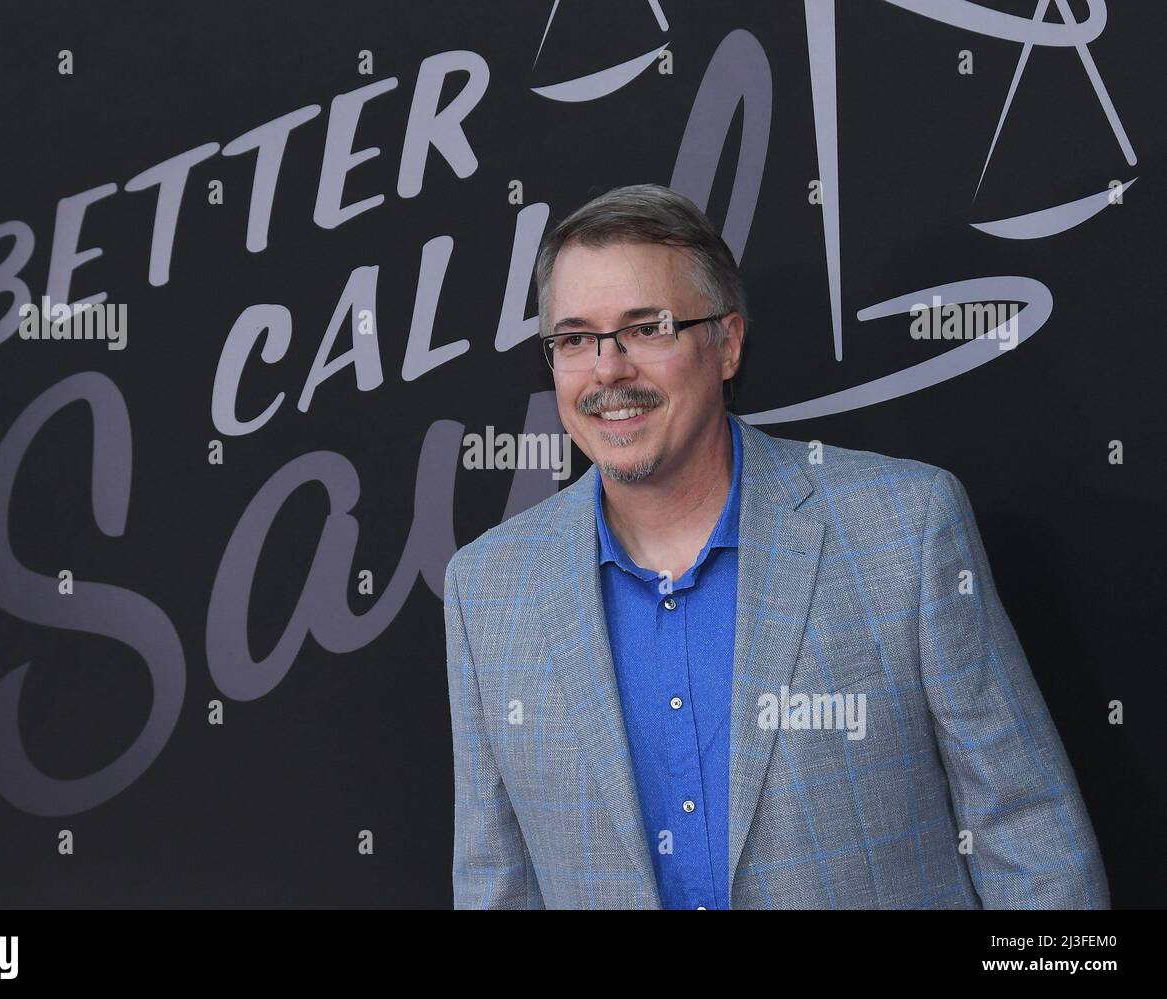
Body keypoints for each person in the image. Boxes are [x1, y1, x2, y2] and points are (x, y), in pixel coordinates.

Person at [443, 183, 1108, 909]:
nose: (608, 370)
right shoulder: (488, 588)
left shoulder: (905, 528)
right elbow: (495, 883)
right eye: (575, 339)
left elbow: (1031, 842)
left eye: (648, 327)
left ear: (726, 344)